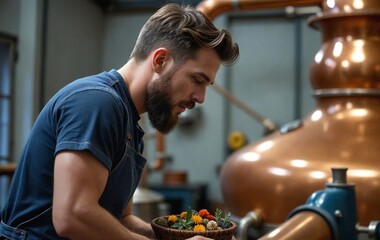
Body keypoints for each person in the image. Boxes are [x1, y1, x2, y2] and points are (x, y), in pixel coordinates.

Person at [0, 3, 239, 240]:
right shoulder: (97, 103)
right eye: (197, 79)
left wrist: (176, 236)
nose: (201, 97)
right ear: (160, 61)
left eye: (206, 86)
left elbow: (120, 220)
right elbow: (72, 216)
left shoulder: (130, 125)